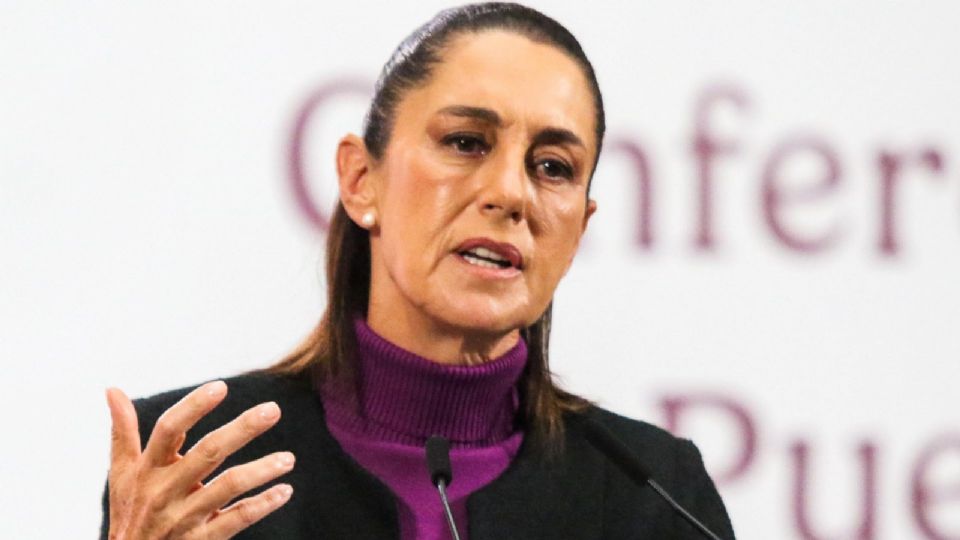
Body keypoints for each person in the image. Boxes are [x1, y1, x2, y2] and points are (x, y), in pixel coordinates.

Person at [101, 3, 736, 539]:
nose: (510, 193)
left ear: (578, 232)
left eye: (552, 167)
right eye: (466, 142)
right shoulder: (191, 470)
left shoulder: (655, 497)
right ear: (361, 179)